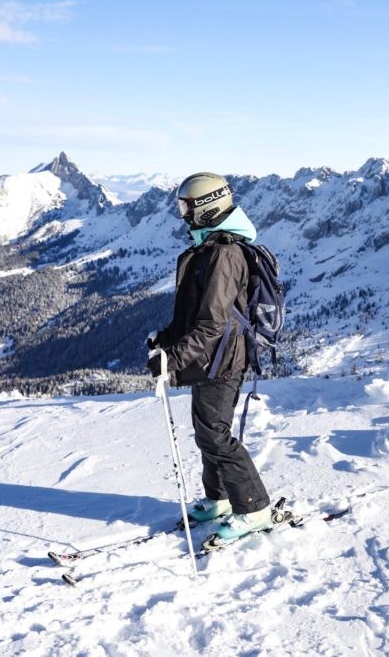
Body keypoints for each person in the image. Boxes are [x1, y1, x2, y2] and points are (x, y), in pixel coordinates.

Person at [146, 172, 273, 543]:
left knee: (215, 436)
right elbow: (194, 312)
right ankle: (218, 499)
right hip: (211, 357)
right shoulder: (210, 248)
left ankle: (254, 507)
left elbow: (213, 323)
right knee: (208, 433)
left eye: (186, 206)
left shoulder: (224, 254)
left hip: (223, 360)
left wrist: (173, 358)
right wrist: (167, 337)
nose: (182, 214)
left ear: (206, 207)